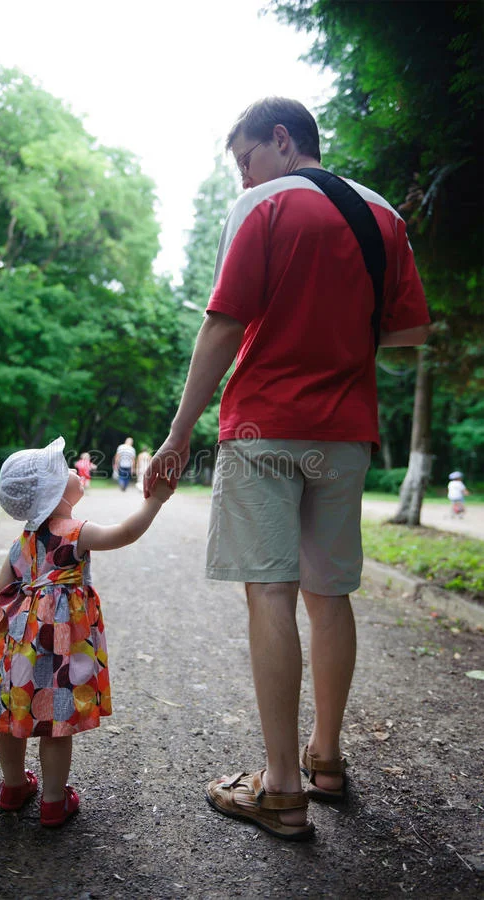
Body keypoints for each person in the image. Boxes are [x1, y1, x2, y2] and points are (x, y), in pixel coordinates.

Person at [145, 97, 430, 841]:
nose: (242, 176)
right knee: (327, 593)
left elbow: (223, 322)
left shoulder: (263, 205)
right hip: (343, 433)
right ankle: (325, 761)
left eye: (244, 158)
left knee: (269, 593)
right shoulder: (382, 218)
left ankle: (279, 790)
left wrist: (178, 436)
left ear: (280, 139)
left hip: (264, 425)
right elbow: (407, 331)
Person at [0, 436, 173, 827]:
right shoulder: (75, 532)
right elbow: (125, 534)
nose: (77, 470)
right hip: (58, 646)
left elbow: (1, 591)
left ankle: (12, 787)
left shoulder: (20, 542)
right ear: (56, 492)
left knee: (14, 714)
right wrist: (155, 500)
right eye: (68, 470)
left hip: (21, 643)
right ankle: (54, 802)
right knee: (55, 720)